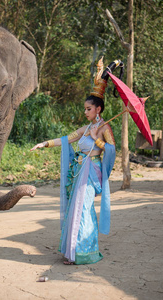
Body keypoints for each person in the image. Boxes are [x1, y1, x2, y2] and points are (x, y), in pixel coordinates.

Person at [31, 58, 119, 265]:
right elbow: (67, 139)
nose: (85, 112)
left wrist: (98, 137)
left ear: (98, 109)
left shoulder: (105, 129)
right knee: (75, 208)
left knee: (83, 208)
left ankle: (83, 252)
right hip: (79, 171)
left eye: (88, 109)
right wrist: (44, 144)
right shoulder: (85, 128)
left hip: (91, 172)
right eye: (85, 109)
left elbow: (111, 150)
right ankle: (72, 250)